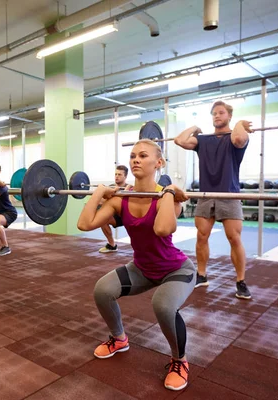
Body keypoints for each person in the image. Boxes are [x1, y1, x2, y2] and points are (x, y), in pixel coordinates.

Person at [78, 139, 196, 392]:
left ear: (159, 162)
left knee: (163, 305)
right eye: (132, 156)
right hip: (142, 269)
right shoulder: (122, 198)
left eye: (143, 156)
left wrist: (167, 194)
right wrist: (100, 192)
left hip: (177, 270)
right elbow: (85, 224)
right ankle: (119, 339)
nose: (135, 160)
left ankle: (180, 360)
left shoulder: (167, 196)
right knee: (102, 290)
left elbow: (163, 228)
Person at [174, 100, 251, 300]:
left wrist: (241, 123)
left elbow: (240, 140)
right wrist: (194, 128)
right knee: (201, 236)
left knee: (234, 238)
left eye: (221, 113)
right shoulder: (203, 140)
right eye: (214, 113)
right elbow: (179, 140)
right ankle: (201, 275)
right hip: (205, 195)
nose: (217, 116)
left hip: (229, 195)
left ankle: (241, 281)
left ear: (229, 116)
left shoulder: (234, 136)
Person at [98, 165, 132, 254]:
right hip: (116, 217)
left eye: (120, 174)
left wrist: (124, 193)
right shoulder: (110, 188)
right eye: (116, 174)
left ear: (125, 176)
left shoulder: (131, 188)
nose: (117, 176)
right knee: (102, 220)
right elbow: (100, 201)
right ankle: (112, 245)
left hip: (129, 216)